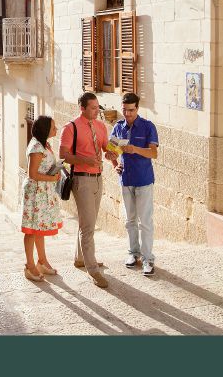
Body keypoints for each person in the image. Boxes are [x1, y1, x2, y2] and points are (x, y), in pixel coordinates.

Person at [59, 92, 118, 288]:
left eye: (97, 106)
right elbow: (64, 155)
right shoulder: (71, 128)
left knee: (88, 222)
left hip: (98, 178)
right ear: (82, 108)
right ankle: (93, 270)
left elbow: (105, 148)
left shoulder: (100, 126)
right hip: (81, 179)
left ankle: (80, 258)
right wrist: (85, 160)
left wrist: (112, 153)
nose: (96, 110)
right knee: (88, 227)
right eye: (92, 107)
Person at [111, 92, 159, 276]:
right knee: (130, 220)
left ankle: (148, 259)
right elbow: (111, 152)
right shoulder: (118, 127)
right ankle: (133, 253)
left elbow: (153, 153)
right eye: (124, 110)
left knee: (145, 222)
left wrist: (135, 149)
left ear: (137, 108)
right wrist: (115, 164)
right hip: (126, 180)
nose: (128, 114)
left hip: (144, 180)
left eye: (131, 110)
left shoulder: (148, 127)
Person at [20, 116, 63, 282]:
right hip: (35, 194)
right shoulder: (36, 148)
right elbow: (33, 174)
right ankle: (29, 266)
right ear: (45, 130)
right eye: (53, 127)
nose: (56, 129)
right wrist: (52, 179)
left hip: (43, 193)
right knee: (31, 230)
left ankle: (42, 262)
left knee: (40, 228)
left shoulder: (45, 144)